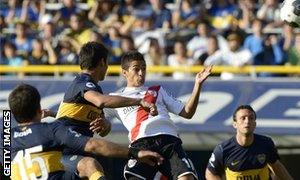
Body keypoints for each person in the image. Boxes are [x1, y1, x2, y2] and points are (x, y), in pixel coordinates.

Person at [9, 84, 163, 180]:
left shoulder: (6, 138)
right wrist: (136, 153)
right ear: (38, 109)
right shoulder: (51, 130)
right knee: (90, 165)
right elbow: (94, 145)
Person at [104, 51, 212, 179]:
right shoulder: (115, 98)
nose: (141, 73)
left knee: (186, 178)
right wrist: (103, 124)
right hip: (142, 143)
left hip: (169, 142)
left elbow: (187, 112)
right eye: (136, 69)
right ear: (124, 72)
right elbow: (102, 122)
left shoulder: (157, 90)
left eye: (144, 69)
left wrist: (198, 85)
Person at [55, 42, 157, 178]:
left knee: (93, 166)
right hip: (62, 154)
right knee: (90, 165)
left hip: (77, 153)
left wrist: (104, 125)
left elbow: (104, 130)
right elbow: (102, 101)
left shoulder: (93, 88)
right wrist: (138, 101)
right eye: (107, 62)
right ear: (102, 62)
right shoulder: (82, 83)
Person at [205, 105, 293, 180]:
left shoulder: (266, 143)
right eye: (243, 118)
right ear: (235, 124)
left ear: (255, 124)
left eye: (251, 118)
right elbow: (210, 173)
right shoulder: (223, 149)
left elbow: (276, 166)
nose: (247, 121)